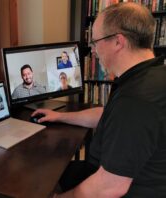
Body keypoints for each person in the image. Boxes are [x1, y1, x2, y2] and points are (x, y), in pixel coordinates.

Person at [32, 2, 166, 197]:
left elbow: (110, 186)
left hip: (124, 186)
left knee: (41, 175)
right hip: (114, 171)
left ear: (118, 42)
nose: (92, 50)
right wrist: (59, 117)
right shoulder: (152, 75)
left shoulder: (136, 100)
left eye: (95, 42)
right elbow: (109, 115)